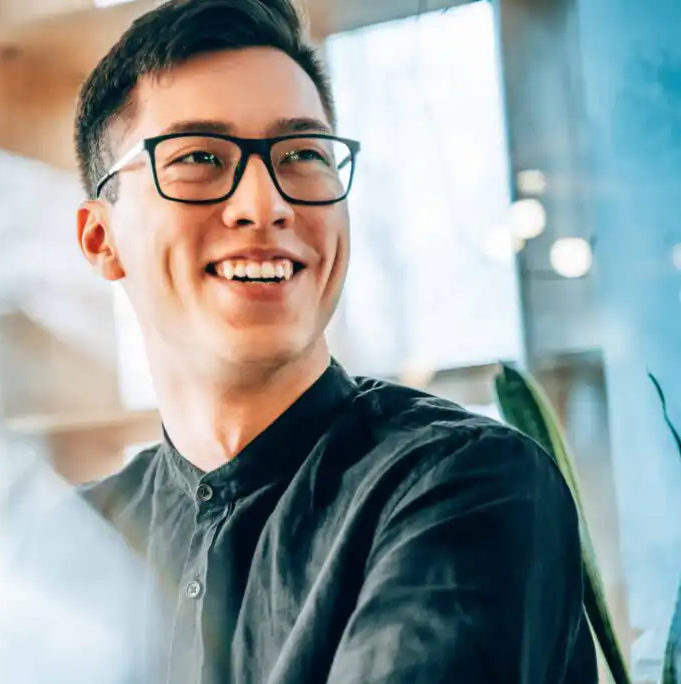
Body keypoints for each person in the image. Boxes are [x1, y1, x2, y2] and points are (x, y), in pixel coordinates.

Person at [71, 0, 597, 682]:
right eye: (199, 157)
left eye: (302, 155)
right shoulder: (76, 543)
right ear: (100, 238)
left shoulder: (464, 484)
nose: (265, 204)